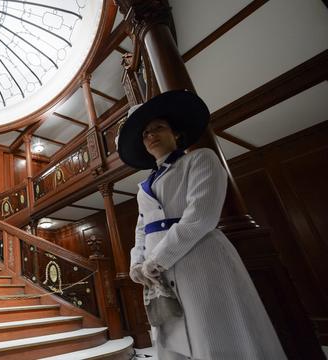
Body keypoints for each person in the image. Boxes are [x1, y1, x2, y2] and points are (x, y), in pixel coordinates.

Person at [116, 90, 286, 360]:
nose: (150, 135)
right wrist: (136, 261)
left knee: (212, 329)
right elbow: (141, 226)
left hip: (201, 258)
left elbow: (201, 217)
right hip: (154, 272)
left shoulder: (200, 159)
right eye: (145, 132)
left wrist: (157, 259)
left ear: (177, 134)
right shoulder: (143, 186)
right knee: (171, 335)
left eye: (158, 127)